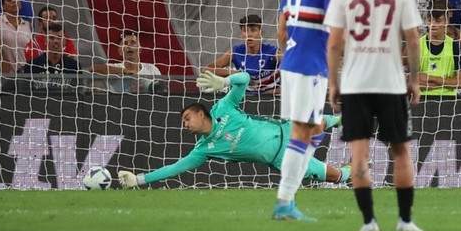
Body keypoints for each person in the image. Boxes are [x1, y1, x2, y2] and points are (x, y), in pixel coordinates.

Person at [326, 0, 424, 231]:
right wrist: (415, 80)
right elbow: (413, 40)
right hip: (390, 83)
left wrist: (333, 83)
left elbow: (333, 43)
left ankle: (369, 222)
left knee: (359, 156)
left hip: (355, 84)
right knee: (401, 152)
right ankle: (405, 220)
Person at [118, 72, 350, 189]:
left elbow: (245, 78)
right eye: (183, 123)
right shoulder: (203, 150)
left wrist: (224, 81)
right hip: (283, 159)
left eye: (187, 118)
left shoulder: (223, 108)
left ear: (201, 113)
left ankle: (342, 118)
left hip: (285, 131)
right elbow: (175, 168)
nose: (186, 124)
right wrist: (139, 179)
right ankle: (353, 171)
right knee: (333, 176)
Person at [272, 0, 341, 222]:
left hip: (291, 61)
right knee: (301, 131)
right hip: (310, 65)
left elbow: (281, 29)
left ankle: (289, 198)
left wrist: (288, 51)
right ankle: (284, 202)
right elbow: (337, 31)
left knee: (314, 130)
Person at [205, 13, 279, 93]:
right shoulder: (236, 52)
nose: (249, 34)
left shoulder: (273, 52)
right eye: (245, 30)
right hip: (244, 97)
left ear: (261, 33)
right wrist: (235, 73)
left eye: (253, 30)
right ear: (241, 34)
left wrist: (275, 91)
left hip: (270, 97)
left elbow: (289, 68)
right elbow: (207, 69)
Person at [91, 30, 162, 94]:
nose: (129, 46)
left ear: (140, 49)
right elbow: (93, 68)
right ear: (120, 51)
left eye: (133, 42)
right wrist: (123, 71)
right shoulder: (114, 68)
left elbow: (162, 89)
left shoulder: (152, 69)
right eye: (125, 43)